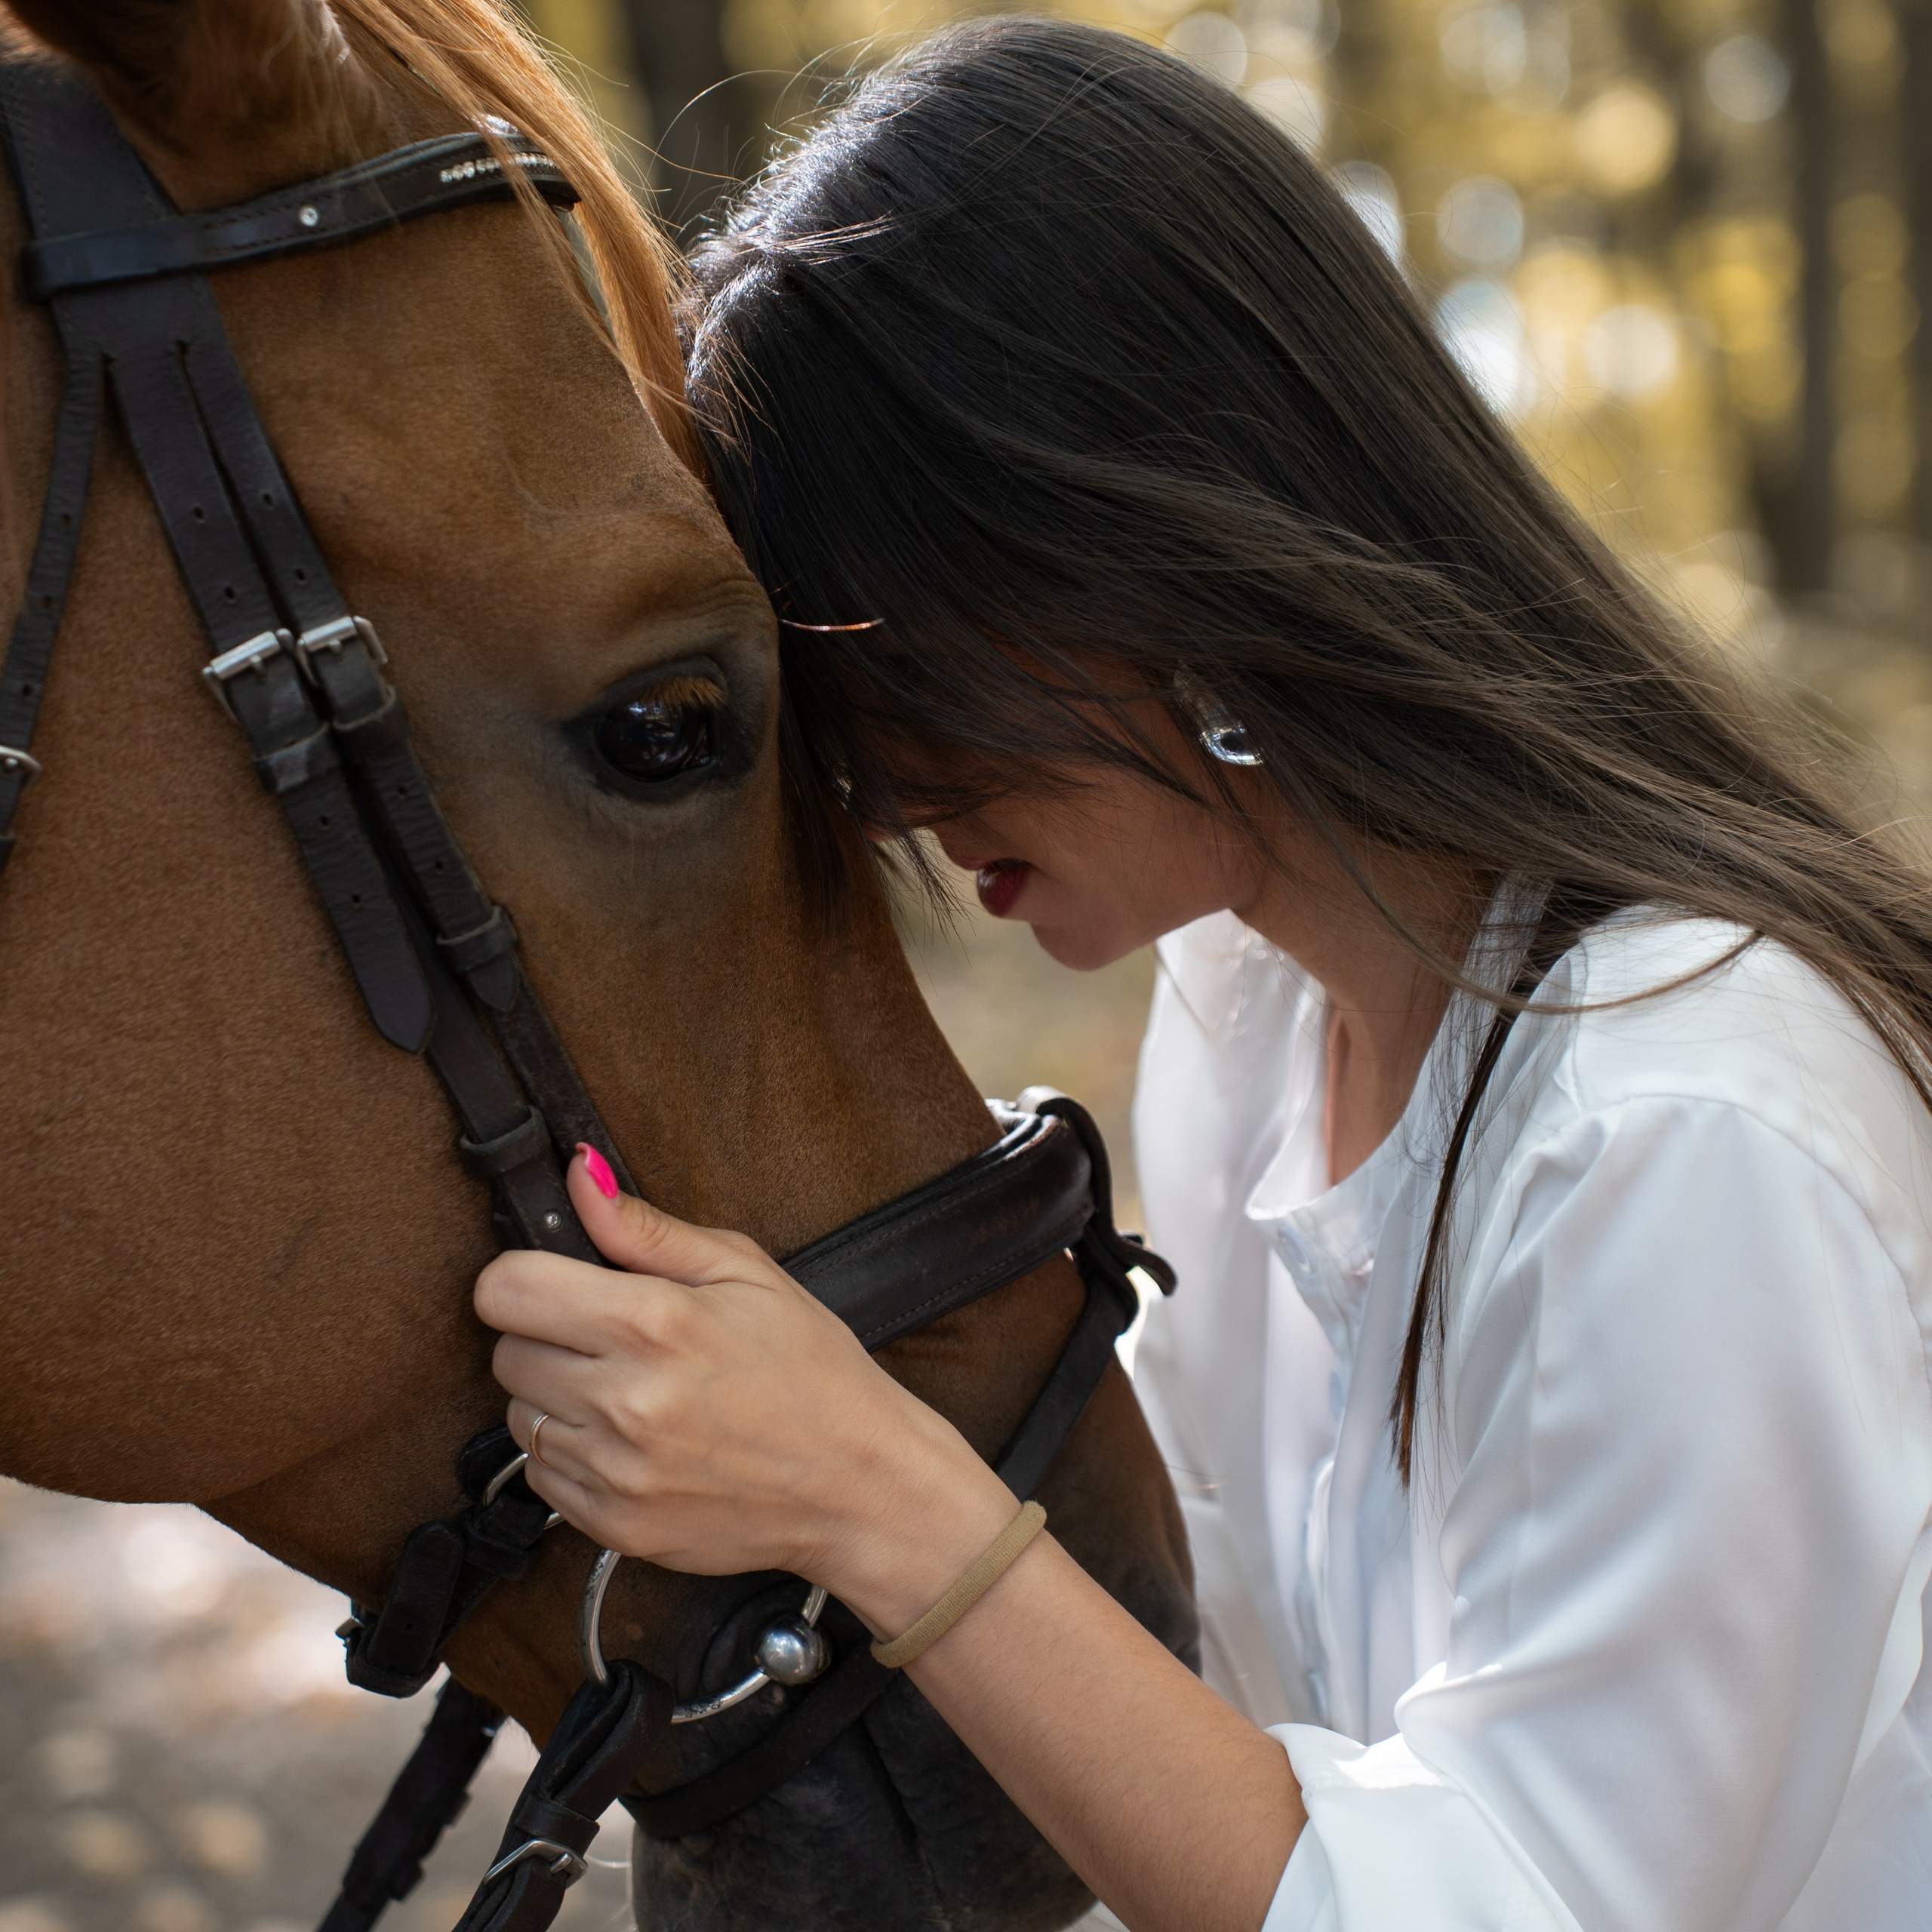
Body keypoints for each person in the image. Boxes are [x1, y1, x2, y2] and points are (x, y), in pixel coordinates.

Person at [475, 20, 1932, 1930]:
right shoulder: (1249, 1014)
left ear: (1143, 538)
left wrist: (871, 1489)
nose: (871, 777)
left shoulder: (1677, 1123)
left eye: (895, 659)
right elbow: (1220, 1708)